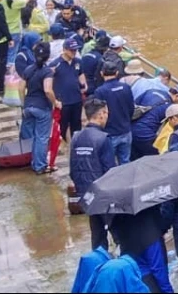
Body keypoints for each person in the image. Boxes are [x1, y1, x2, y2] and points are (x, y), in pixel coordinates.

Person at [71, 98, 114, 251]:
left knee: (97, 233)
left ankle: (99, 261)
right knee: (118, 229)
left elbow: (72, 168)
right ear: (101, 114)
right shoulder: (103, 138)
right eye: (106, 113)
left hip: (87, 194)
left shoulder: (76, 137)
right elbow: (110, 171)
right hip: (104, 194)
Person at [108, 205, 172, 294]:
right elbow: (161, 216)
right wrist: (163, 229)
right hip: (151, 236)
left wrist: (118, 240)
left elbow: (111, 225)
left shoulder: (113, 201)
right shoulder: (145, 196)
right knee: (160, 275)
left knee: (139, 276)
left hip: (128, 243)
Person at [21, 40, 59, 175]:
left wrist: (23, 104)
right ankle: (40, 166)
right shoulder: (47, 72)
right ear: (48, 57)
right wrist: (56, 102)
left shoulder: (28, 69)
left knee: (30, 137)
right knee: (41, 138)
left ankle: (30, 161)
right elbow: (48, 90)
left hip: (28, 106)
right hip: (42, 108)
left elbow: (21, 88)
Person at [93, 62, 135, 165]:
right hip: (126, 130)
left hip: (110, 133)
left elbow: (99, 114)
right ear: (116, 73)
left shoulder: (100, 91)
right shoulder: (126, 87)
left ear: (102, 73)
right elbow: (132, 108)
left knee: (109, 164)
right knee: (125, 162)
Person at [131, 85, 178, 159]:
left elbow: (133, 105)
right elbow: (166, 129)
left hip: (130, 128)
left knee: (131, 160)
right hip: (146, 135)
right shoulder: (170, 107)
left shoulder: (151, 91)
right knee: (153, 159)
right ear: (177, 96)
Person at [52, 35, 86, 144]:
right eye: (71, 50)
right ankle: (61, 145)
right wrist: (54, 101)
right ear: (64, 50)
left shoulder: (78, 62)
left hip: (76, 100)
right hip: (63, 102)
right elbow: (49, 83)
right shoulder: (54, 64)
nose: (74, 52)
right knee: (62, 126)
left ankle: (76, 145)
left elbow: (81, 75)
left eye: (75, 50)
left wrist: (84, 86)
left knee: (77, 126)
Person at [4, 0, 30, 67]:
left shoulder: (2, 1)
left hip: (4, 30)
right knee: (12, 53)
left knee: (5, 52)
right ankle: (10, 75)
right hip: (15, 31)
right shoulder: (17, 2)